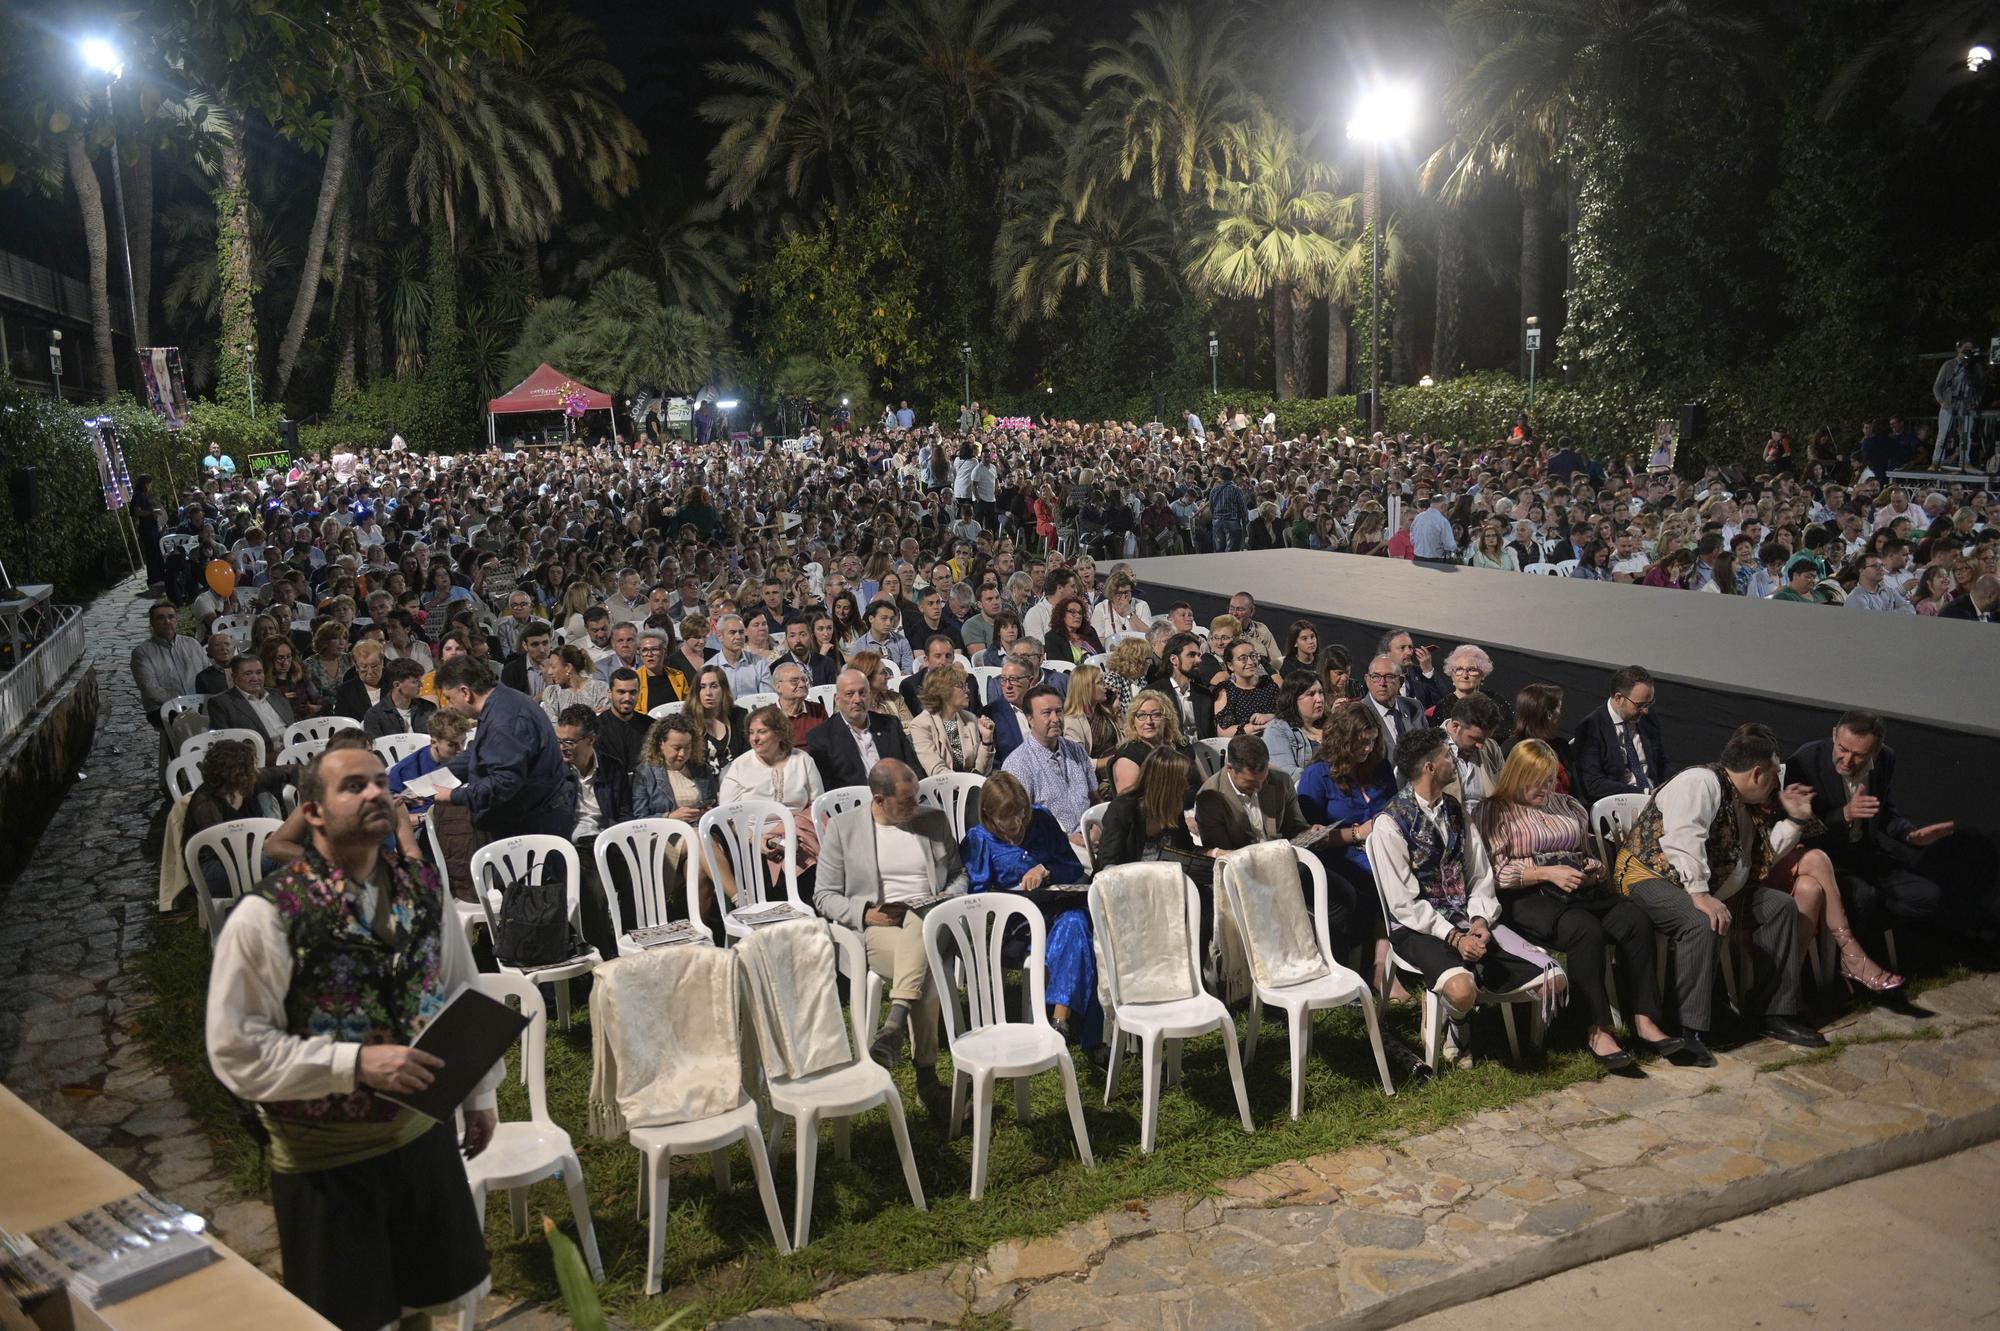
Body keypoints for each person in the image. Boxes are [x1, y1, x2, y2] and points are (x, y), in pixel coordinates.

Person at [205, 746, 498, 1331]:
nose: (374, 795)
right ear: (312, 812)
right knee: (353, 1318)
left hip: (419, 1138)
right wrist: (354, 1064)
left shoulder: (419, 885)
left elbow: (460, 988)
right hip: (327, 1161)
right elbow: (236, 1048)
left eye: (381, 784)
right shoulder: (267, 916)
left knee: (423, 1308)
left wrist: (478, 1094)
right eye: (353, 786)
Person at [1611, 723, 1829, 1065]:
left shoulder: (1745, 802)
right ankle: (1689, 1030)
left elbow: (1758, 859)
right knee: (1701, 920)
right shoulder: (1700, 783)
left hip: (1709, 886)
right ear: (1757, 773)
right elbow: (1683, 838)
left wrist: (1796, 821)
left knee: (1780, 907)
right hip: (1648, 877)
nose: (1777, 785)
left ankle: (1772, 1012)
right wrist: (1699, 894)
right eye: (1773, 777)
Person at [1480, 741, 1687, 1069]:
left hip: (1577, 890)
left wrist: (1595, 869)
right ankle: (1595, 1028)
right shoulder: (1496, 810)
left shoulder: (1568, 805)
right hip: (1526, 896)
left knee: (1634, 918)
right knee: (1584, 930)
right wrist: (1546, 872)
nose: (1546, 788)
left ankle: (1645, 1019)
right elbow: (1494, 871)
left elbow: (1587, 854)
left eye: (1550, 779)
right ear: (1518, 775)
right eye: (1538, 780)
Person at [1370, 727, 1556, 1068]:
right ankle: (1459, 1018)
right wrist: (1455, 937)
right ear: (1429, 767)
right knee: (1461, 990)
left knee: (1553, 980)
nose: (1452, 759)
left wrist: (1480, 919)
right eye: (1445, 755)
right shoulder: (1390, 823)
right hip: (1418, 926)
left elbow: (1479, 872)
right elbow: (1403, 904)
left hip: (1464, 915)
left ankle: (1467, 991)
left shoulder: (1455, 809)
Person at [812, 759, 964, 1118]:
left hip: (931, 919)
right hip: (879, 927)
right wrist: (865, 912)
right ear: (878, 799)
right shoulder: (844, 829)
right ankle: (927, 1081)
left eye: (916, 798)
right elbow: (824, 895)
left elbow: (960, 875)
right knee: (924, 982)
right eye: (906, 801)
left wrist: (944, 898)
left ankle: (893, 1025)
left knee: (919, 922)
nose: (915, 807)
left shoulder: (933, 821)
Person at [1786, 710, 1969, 953]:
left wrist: (1910, 835)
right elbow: (1797, 826)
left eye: (1858, 755)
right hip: (1825, 860)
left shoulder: (1885, 760)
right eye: (1842, 749)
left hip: (1865, 855)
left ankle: (1864, 931)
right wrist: (1844, 814)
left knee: (1927, 897)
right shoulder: (1806, 760)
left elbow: (1885, 813)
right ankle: (1852, 956)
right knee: (1863, 898)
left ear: (1877, 750)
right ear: (1833, 735)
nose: (1847, 761)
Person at [959, 771, 1095, 1041]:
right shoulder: (980, 840)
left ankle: (1060, 1020)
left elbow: (1072, 866)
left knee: (1076, 923)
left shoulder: (1041, 819)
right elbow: (976, 895)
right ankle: (1075, 1024)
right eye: (1007, 817)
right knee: (1075, 931)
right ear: (988, 813)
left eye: (1021, 812)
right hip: (1013, 925)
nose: (1017, 822)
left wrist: (1046, 869)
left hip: (1055, 909)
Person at [432, 655, 577, 839]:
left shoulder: (503, 720)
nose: (449, 706)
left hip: (535, 825)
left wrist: (454, 796)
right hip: (532, 815)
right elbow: (478, 753)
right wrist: (435, 779)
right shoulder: (502, 700)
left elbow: (504, 783)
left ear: (465, 692)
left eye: (449, 698)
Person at [554, 704, 637, 959]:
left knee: (634, 874)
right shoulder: (553, 772)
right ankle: (605, 954)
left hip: (607, 840)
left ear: (591, 740)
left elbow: (624, 813)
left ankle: (633, 942)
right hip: (572, 846)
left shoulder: (612, 768)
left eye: (569, 741)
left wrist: (615, 840)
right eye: (559, 741)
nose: (563, 747)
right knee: (594, 888)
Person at [1000, 684, 1097, 835]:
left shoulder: (1076, 750)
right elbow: (1018, 824)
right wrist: (1066, 841)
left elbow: (1095, 797)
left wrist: (1098, 826)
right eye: (1047, 713)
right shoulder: (1018, 764)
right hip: (1051, 847)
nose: (1055, 719)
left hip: (1091, 836)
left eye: (1059, 711)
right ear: (1030, 719)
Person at [805, 666, 921, 790]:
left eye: (862, 693)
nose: (857, 700)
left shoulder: (890, 725)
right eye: (850, 694)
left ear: (869, 696)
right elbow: (827, 790)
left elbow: (913, 768)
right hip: (855, 804)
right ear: (837, 699)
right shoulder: (821, 738)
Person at [1195, 734, 1310, 852]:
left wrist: (1310, 834)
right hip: (1241, 864)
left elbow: (1296, 826)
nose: (1259, 787)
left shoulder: (1281, 780)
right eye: (1250, 782)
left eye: (1263, 779)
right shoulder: (1209, 798)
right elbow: (1221, 852)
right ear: (1230, 768)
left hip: (1285, 854)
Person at [1571, 664, 1666, 807]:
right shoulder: (1591, 728)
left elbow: (1662, 762)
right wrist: (1644, 792)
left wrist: (1674, 785)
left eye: (1649, 703)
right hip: (1621, 804)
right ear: (1619, 698)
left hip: (1656, 798)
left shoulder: (1648, 718)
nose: (1646, 711)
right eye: (1640, 705)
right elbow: (1594, 784)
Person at [907, 663, 994, 778]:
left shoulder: (970, 719)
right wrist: (970, 783)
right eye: (962, 685)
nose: (967, 690)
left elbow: (982, 771)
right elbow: (936, 771)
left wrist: (987, 740)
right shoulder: (921, 724)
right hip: (943, 790)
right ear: (944, 691)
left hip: (973, 786)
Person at [132, 600, 208, 726]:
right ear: (152, 623)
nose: (167, 622)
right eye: (160, 618)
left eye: (171, 617)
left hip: (198, 702)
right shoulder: (142, 653)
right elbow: (151, 691)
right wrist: (185, 704)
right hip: (164, 707)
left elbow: (207, 675)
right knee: (190, 723)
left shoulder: (192, 644)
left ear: (176, 620)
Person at [207, 652, 298, 755]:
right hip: (260, 761)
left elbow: (295, 727)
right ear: (234, 677)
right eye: (248, 674)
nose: (255, 678)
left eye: (259, 672)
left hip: (294, 751)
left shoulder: (276, 694)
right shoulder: (221, 703)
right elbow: (224, 746)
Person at [1440, 693, 1506, 820]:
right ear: (1455, 726)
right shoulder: (1429, 748)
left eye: (1485, 739)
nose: (1480, 745)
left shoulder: (1491, 748)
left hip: (1488, 828)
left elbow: (1503, 795)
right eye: (1475, 738)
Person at [1060, 663, 1121, 787]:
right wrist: (1112, 760)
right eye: (1100, 682)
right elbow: (1078, 761)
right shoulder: (1072, 722)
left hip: (1119, 768)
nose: (1106, 686)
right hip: (1098, 780)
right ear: (1086, 688)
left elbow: (1124, 739)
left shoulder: (1104, 711)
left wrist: (1116, 710)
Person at [1361, 652, 1426, 760]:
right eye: (1376, 677)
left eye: (1389, 677)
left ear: (1401, 682)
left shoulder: (1414, 707)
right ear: (1367, 680)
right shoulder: (1358, 713)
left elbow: (1428, 749)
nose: (1382, 683)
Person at [1260, 674, 1328, 776]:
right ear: (1293, 699)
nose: (1319, 699)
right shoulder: (1277, 730)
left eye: (1320, 692)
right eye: (1311, 694)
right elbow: (1287, 774)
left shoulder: (1332, 722)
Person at [1212, 639, 1278, 738]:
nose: (1251, 662)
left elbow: (1287, 714)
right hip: (1246, 744)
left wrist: (1270, 716)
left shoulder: (1268, 683)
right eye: (1243, 658)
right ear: (1230, 665)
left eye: (1253, 656)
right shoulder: (1227, 691)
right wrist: (1254, 728)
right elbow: (1223, 732)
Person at [361, 658, 437, 739]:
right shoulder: (374, 715)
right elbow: (376, 749)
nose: (421, 685)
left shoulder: (429, 708)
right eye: (415, 682)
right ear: (397, 685)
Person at [538, 643, 609, 719]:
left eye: (553, 667)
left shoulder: (600, 689)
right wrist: (589, 715)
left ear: (568, 667)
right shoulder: (552, 694)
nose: (549, 672)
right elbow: (554, 727)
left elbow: (603, 721)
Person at [332, 640, 388, 721]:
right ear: (356, 667)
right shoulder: (345, 691)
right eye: (364, 667)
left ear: (382, 663)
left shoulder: (394, 684)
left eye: (374, 666)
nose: (370, 672)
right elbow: (341, 722)